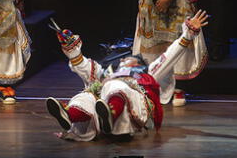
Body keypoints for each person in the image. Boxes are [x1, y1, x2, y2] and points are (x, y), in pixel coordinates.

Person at [46, 10, 209, 141]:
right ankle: (69, 115)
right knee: (85, 96)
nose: (123, 59)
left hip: (130, 106)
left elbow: (169, 57)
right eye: (122, 58)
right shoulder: (107, 74)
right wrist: (71, 48)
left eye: (128, 58)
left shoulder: (146, 74)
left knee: (115, 86)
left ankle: (110, 115)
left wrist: (187, 35)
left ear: (138, 64)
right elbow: (83, 66)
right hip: (103, 101)